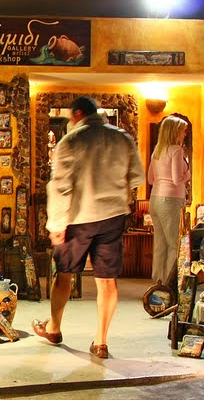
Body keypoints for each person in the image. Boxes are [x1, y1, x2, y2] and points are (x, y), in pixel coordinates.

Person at [32, 97, 144, 359]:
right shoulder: (122, 138)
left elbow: (61, 186)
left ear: (78, 114)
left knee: (64, 275)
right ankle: (101, 342)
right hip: (113, 216)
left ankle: (54, 328)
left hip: (78, 218)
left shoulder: (70, 141)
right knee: (107, 281)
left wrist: (56, 225)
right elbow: (137, 176)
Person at [147, 115, 191, 291]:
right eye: (183, 131)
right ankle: (170, 283)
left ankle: (157, 280)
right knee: (174, 243)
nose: (184, 135)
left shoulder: (157, 150)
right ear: (175, 132)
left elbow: (150, 179)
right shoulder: (176, 150)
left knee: (160, 243)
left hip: (155, 198)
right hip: (171, 200)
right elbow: (176, 179)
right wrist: (188, 174)